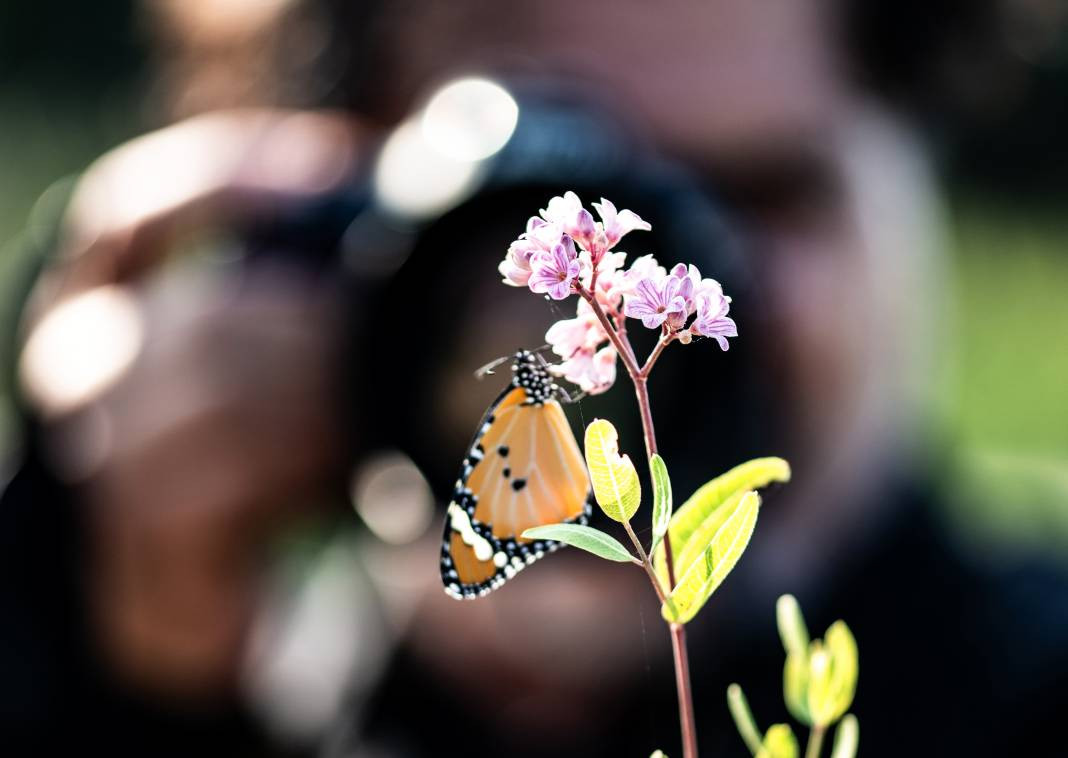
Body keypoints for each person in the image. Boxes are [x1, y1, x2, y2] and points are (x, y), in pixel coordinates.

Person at [2, 1, 1066, 756]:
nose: (658, 277)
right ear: (323, 194)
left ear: (914, 190)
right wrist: (111, 672)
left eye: (754, 189)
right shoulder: (193, 676)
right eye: (545, 184)